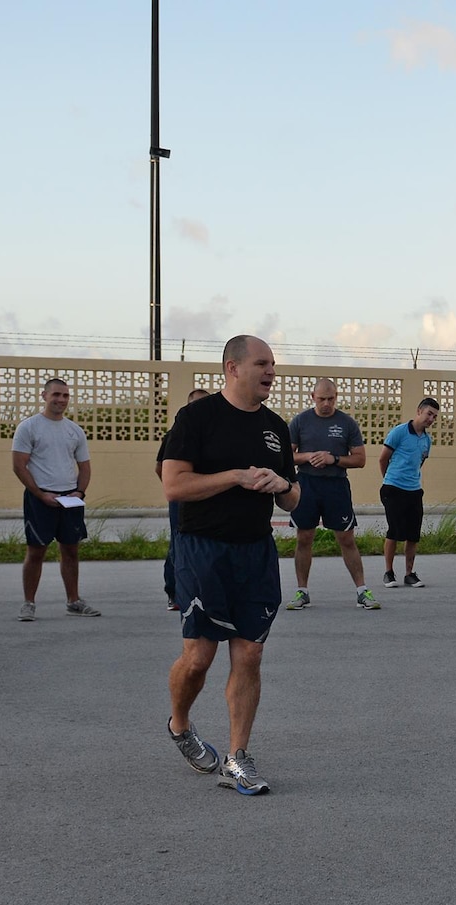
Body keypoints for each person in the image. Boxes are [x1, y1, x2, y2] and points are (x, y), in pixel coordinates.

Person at [161, 335, 301, 796]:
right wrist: (236, 476)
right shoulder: (197, 418)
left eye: (274, 365)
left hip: (255, 551)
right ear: (232, 368)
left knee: (250, 653)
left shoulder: (276, 427)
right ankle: (180, 725)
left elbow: (294, 497)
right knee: (199, 657)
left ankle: (237, 758)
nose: (271, 372)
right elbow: (175, 486)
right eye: (262, 363)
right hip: (203, 549)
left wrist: (282, 484)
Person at [287, 378, 380, 612]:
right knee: (304, 537)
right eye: (322, 399)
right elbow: (286, 457)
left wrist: (334, 459)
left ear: (336, 397)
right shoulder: (300, 421)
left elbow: (360, 459)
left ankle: (362, 591)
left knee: (346, 539)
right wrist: (308, 456)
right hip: (306, 484)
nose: (327, 403)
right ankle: (302, 591)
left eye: (331, 399)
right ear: (312, 397)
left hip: (336, 486)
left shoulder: (347, 423)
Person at [11, 377, 100, 620]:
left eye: (65, 396)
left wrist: (79, 493)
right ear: (44, 396)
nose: (61, 400)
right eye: (56, 395)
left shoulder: (74, 430)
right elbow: (19, 466)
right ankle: (29, 603)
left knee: (70, 550)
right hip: (40, 498)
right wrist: (40, 494)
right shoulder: (28, 427)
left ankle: (74, 601)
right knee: (36, 550)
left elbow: (85, 467)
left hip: (70, 499)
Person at [157, 387, 211, 610]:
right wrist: (178, 487)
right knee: (179, 544)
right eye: (196, 405)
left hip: (209, 498)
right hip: (182, 501)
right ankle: (174, 591)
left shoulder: (216, 433)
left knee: (206, 546)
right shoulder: (176, 434)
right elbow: (160, 467)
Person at [378, 397, 439, 588]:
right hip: (393, 487)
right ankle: (389, 572)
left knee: (413, 534)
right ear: (419, 411)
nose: (431, 419)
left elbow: (419, 463)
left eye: (435, 417)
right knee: (394, 531)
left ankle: (409, 573)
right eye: (429, 413)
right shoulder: (399, 432)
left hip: (414, 490)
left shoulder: (427, 440)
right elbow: (383, 459)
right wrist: (389, 480)